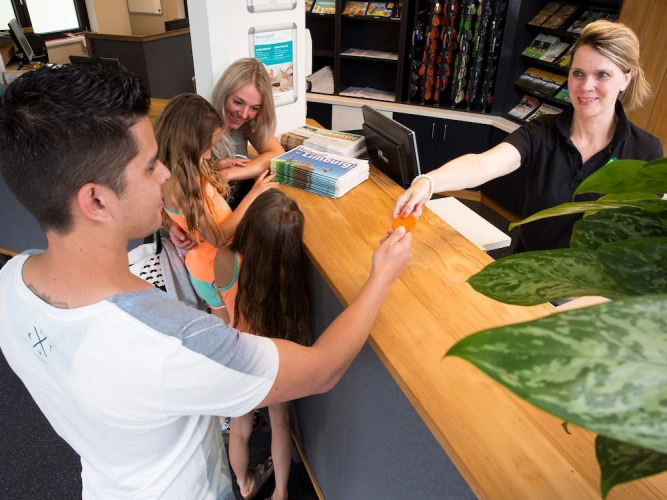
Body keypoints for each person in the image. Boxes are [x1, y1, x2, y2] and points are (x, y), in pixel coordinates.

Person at [0, 65, 412, 499]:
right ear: (97, 200)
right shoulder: (178, 342)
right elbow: (323, 369)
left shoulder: (10, 283)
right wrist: (382, 275)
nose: (166, 175)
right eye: (151, 166)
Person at [394, 20, 663, 252]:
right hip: (528, 272)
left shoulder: (645, 151)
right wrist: (428, 182)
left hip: (592, 285)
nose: (586, 86)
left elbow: (641, 234)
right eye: (578, 73)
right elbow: (484, 164)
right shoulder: (542, 130)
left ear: (626, 78)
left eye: (602, 75)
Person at [214, 189, 310, 500]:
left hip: (240, 355)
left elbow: (221, 307)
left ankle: (244, 484)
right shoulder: (290, 274)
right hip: (274, 359)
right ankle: (281, 492)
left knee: (239, 430)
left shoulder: (225, 259)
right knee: (280, 422)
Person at [155, 93, 277, 320]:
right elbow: (218, 238)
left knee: (224, 323)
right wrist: (254, 194)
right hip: (216, 268)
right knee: (233, 326)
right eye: (207, 148)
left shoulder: (174, 174)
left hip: (204, 266)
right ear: (189, 144)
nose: (209, 155)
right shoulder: (184, 188)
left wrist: (216, 165)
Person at [210, 57, 286, 209]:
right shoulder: (202, 125)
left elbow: (278, 154)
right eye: (238, 102)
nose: (244, 114)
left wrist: (230, 173)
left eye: (254, 108)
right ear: (223, 94)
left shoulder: (247, 125)